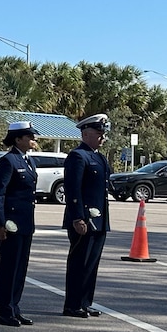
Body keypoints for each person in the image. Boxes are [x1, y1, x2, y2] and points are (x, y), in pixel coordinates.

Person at [0, 121, 39, 326]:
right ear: (18, 139)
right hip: (10, 224)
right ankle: (5, 311)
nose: (33, 140)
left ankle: (15, 307)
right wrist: (0, 223)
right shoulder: (8, 161)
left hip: (25, 222)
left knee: (20, 269)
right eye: (30, 137)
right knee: (8, 269)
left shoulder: (28, 161)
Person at [62, 113, 112, 318]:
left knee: (91, 264)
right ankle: (72, 304)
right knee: (79, 263)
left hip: (99, 219)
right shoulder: (78, 156)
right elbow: (73, 190)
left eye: (103, 134)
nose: (102, 137)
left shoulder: (99, 157)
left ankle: (85, 301)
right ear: (85, 133)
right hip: (83, 218)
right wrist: (78, 217)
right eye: (98, 133)